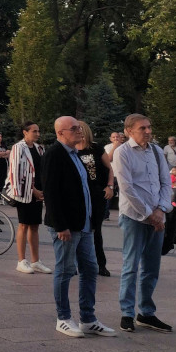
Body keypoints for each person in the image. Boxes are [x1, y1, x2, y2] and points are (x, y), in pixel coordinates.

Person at [44, 116, 113, 338]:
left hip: (83, 225)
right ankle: (63, 318)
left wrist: (92, 222)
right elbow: (51, 193)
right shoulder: (55, 155)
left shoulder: (76, 155)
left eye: (79, 128)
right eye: (73, 129)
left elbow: (83, 190)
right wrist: (60, 225)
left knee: (90, 269)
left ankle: (88, 319)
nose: (79, 131)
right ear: (61, 133)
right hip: (66, 227)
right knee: (65, 270)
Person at [112, 113, 173, 333]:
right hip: (134, 217)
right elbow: (127, 188)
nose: (148, 131)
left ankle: (146, 312)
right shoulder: (122, 153)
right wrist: (149, 213)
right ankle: (127, 312)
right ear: (129, 131)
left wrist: (161, 209)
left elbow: (167, 183)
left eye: (149, 127)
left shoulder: (157, 151)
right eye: (142, 128)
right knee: (131, 265)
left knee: (152, 267)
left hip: (157, 216)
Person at [9, 122, 49, 274]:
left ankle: (35, 260)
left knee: (35, 226)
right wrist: (33, 190)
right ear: (25, 132)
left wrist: (42, 189)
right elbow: (15, 172)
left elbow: (41, 169)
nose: (37, 134)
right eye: (34, 131)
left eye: (38, 131)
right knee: (24, 225)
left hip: (38, 191)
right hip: (24, 192)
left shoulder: (39, 148)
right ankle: (21, 260)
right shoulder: (18, 147)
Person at [74, 122, 114, 276]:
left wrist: (110, 186)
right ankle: (79, 264)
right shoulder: (71, 151)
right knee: (78, 230)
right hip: (78, 195)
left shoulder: (96, 148)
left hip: (97, 193)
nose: (79, 133)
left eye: (80, 130)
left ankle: (100, 264)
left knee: (96, 230)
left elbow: (109, 168)